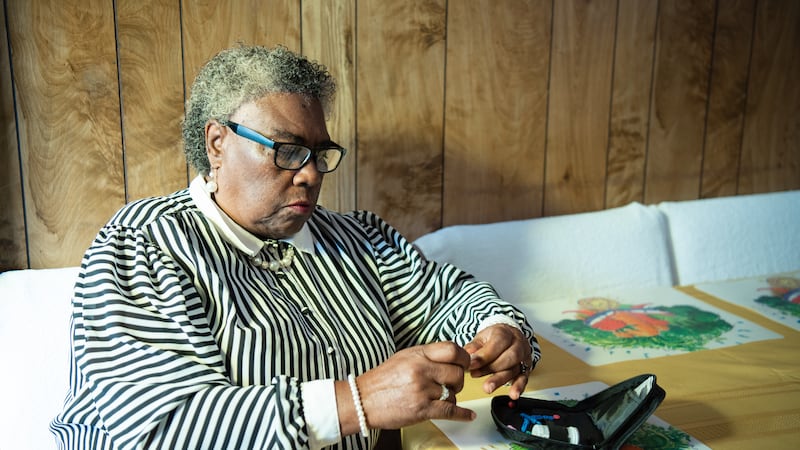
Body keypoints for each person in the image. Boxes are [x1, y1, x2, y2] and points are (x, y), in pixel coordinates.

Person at [50, 44, 541, 450]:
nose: (309, 173)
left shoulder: (354, 237)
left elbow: (447, 297)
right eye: (285, 150)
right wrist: (358, 401)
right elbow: (162, 430)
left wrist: (500, 329)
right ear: (217, 143)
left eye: (318, 154)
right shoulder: (148, 244)